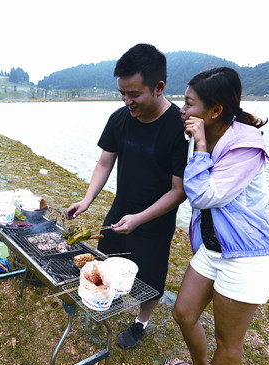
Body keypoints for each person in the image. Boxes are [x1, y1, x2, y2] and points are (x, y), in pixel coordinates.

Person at [165, 67, 269, 365]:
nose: (182, 110)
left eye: (188, 104)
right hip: (215, 249)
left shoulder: (245, 147)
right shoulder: (213, 136)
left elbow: (202, 195)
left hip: (247, 257)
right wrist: (200, 142)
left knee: (228, 341)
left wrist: (199, 144)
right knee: (183, 313)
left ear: (214, 111)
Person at [65, 44, 188, 349]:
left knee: (150, 279)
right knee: (106, 262)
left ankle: (140, 323)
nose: (126, 100)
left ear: (158, 88)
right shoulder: (120, 118)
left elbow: (179, 190)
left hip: (155, 220)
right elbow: (105, 162)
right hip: (121, 210)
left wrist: (141, 219)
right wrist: (87, 200)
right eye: (122, 93)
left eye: (134, 94)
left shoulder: (179, 128)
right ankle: (107, 300)